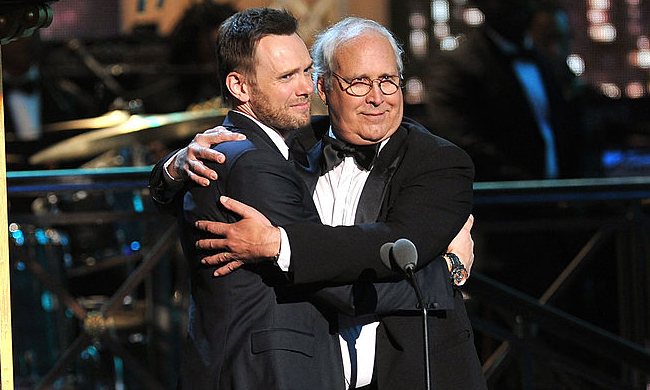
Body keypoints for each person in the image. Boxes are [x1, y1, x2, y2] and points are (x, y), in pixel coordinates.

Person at [151, 15, 485, 390]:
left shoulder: (438, 161)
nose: (378, 97)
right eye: (359, 83)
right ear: (323, 87)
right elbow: (204, 197)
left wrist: (279, 245)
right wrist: (174, 167)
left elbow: (389, 248)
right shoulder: (285, 144)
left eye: (388, 81)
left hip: (408, 375)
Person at [426, 0, 579, 181]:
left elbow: (569, 134)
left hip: (560, 198)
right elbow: (461, 143)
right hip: (499, 201)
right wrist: (529, 187)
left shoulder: (546, 62)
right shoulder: (456, 67)